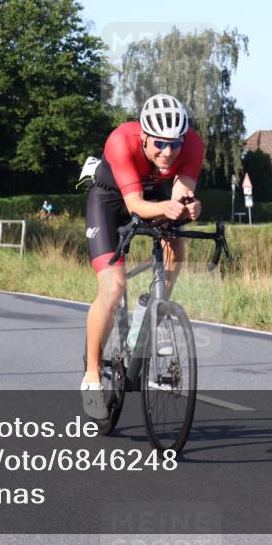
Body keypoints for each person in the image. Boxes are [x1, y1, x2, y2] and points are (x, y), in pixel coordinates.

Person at [80, 94, 204, 418]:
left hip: (154, 196)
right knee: (113, 288)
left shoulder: (193, 145)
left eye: (175, 144)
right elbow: (134, 205)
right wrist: (168, 208)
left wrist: (189, 207)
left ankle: (152, 309)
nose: (168, 153)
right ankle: (92, 375)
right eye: (160, 144)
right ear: (145, 137)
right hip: (110, 201)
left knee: (175, 243)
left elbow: (180, 193)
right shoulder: (121, 141)